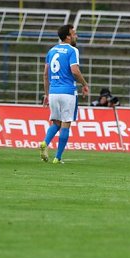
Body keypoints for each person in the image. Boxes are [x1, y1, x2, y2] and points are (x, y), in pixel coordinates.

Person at [39, 24, 90, 164]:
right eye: (74, 33)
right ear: (68, 36)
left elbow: (45, 74)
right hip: (67, 92)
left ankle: (44, 142)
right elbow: (75, 70)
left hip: (54, 92)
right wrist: (84, 84)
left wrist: (46, 94)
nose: (76, 36)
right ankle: (58, 158)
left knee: (56, 122)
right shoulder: (72, 50)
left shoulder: (51, 50)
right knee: (66, 124)